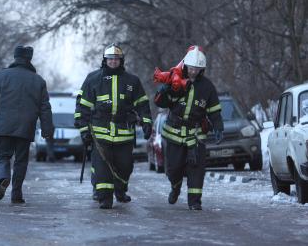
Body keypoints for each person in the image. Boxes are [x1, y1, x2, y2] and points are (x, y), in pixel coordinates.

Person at [75, 43, 152, 209]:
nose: (113, 62)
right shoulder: (93, 79)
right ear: (105, 60)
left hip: (124, 133)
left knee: (125, 166)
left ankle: (120, 189)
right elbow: (82, 106)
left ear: (121, 61)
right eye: (110, 59)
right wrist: (83, 130)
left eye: (116, 59)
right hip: (100, 133)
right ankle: (104, 197)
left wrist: (147, 122)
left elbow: (143, 105)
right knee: (102, 167)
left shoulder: (132, 81)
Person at [154, 45, 224, 211]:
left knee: (197, 169)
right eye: (191, 68)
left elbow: (214, 110)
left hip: (196, 134)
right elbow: (160, 103)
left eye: (197, 69)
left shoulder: (207, 87)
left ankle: (194, 201)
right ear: (186, 66)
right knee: (173, 169)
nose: (193, 72)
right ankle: (175, 186)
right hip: (174, 133)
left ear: (202, 70)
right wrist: (163, 91)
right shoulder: (175, 81)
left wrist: (219, 127)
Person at [0, 45, 54, 204]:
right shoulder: (38, 80)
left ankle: (3, 177)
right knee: (21, 161)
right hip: (26, 126)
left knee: (2, 156)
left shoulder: (2, 75)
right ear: (29, 59)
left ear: (15, 57)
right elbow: (45, 107)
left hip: (4, 124)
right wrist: (47, 129)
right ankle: (16, 194)